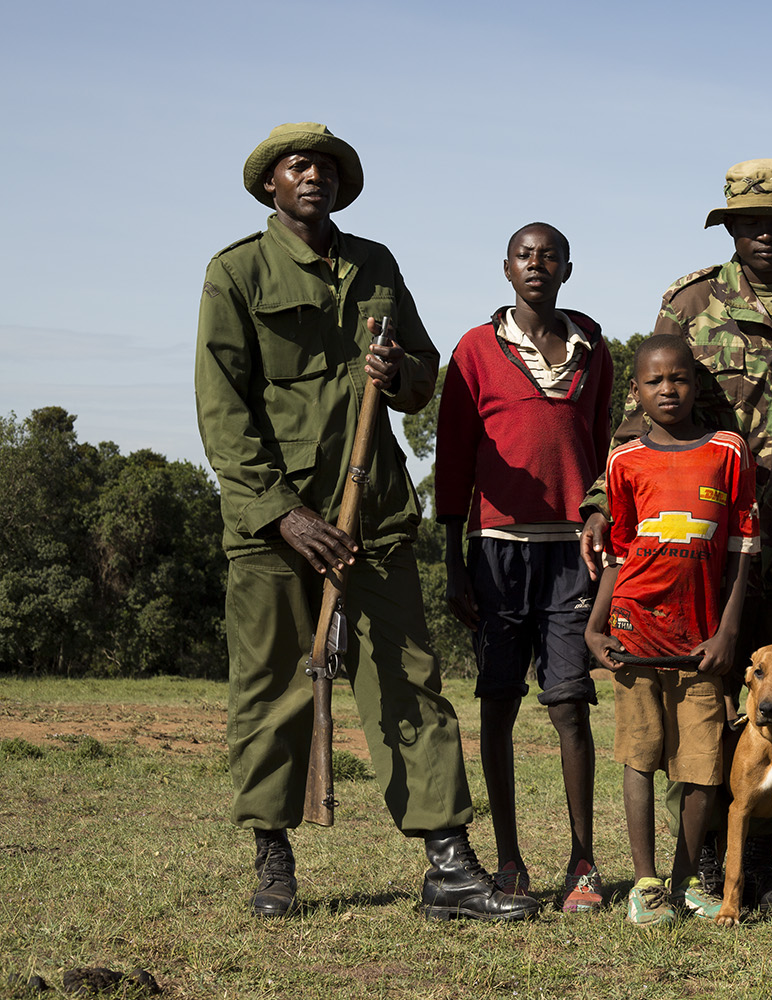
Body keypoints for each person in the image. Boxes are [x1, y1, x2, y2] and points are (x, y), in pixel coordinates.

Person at [195, 122, 533, 921]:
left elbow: (424, 376)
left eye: (326, 167)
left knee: (409, 685)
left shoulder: (375, 265)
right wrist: (284, 513)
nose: (313, 175)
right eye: (296, 165)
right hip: (275, 529)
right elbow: (221, 410)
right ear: (270, 185)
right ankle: (272, 855)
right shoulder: (235, 272)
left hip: (373, 518)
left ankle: (448, 868)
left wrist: (402, 370)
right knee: (270, 689)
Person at [580, 158, 772, 907]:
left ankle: (765, 867)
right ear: (731, 225)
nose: (764, 231)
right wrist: (600, 504)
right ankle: (705, 862)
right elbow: (649, 406)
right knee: (707, 695)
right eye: (750, 220)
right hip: (707, 534)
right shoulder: (693, 299)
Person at [434, 222, 612, 913]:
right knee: (499, 701)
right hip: (498, 550)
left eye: (550, 256)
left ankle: (584, 864)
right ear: (506, 269)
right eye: (525, 255)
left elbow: (602, 450)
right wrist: (454, 563)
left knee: (570, 705)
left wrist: (607, 538)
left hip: (574, 551)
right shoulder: (476, 350)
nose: (537, 265)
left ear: (568, 268)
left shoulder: (592, 347)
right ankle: (508, 861)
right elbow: (452, 461)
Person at [583, 334, 758, 927]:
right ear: (636, 392)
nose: (667, 390)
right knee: (639, 756)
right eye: (654, 381)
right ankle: (646, 883)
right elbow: (617, 553)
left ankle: (685, 883)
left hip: (702, 643)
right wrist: (593, 626)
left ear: (697, 384)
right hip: (634, 633)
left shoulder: (730, 452)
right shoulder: (624, 459)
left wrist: (729, 632)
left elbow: (741, 551)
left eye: (678, 379)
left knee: (702, 767)